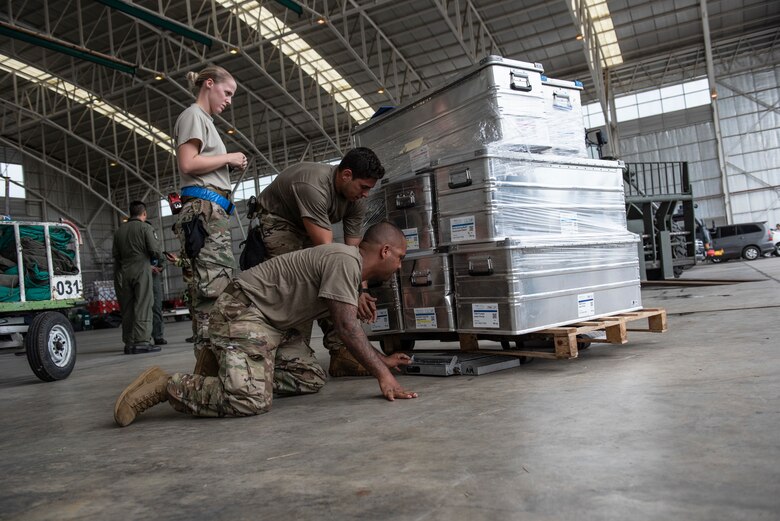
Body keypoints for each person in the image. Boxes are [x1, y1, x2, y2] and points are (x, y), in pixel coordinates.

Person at [113, 222, 417, 427]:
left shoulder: (347, 266)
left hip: (272, 326)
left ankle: (227, 367)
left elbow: (344, 328)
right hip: (243, 311)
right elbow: (347, 328)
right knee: (250, 400)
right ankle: (166, 385)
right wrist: (383, 374)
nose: (400, 265)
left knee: (309, 378)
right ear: (385, 251)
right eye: (400, 257)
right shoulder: (345, 261)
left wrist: (382, 360)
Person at [252, 147, 385, 377]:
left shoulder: (357, 200)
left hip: (308, 227)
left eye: (369, 189)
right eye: (363, 187)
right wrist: (351, 292)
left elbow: (354, 254)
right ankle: (291, 356)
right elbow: (326, 252)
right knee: (299, 284)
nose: (365, 194)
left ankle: (343, 354)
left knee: (340, 283)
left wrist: (361, 290)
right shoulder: (313, 186)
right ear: (346, 175)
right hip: (279, 221)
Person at [173, 65, 247, 364]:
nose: (228, 100)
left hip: (212, 212)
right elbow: (188, 164)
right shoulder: (193, 116)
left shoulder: (205, 121)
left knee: (217, 290)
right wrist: (228, 157)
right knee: (210, 292)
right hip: (204, 211)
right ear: (208, 84)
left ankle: (213, 363)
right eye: (226, 92)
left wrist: (223, 165)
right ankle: (208, 367)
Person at [112, 201, 163, 354]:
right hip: (141, 269)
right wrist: (157, 261)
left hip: (123, 271)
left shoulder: (119, 231)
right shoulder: (145, 228)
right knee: (143, 304)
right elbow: (155, 250)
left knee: (127, 307)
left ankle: (129, 341)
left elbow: (115, 254)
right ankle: (142, 341)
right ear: (144, 213)